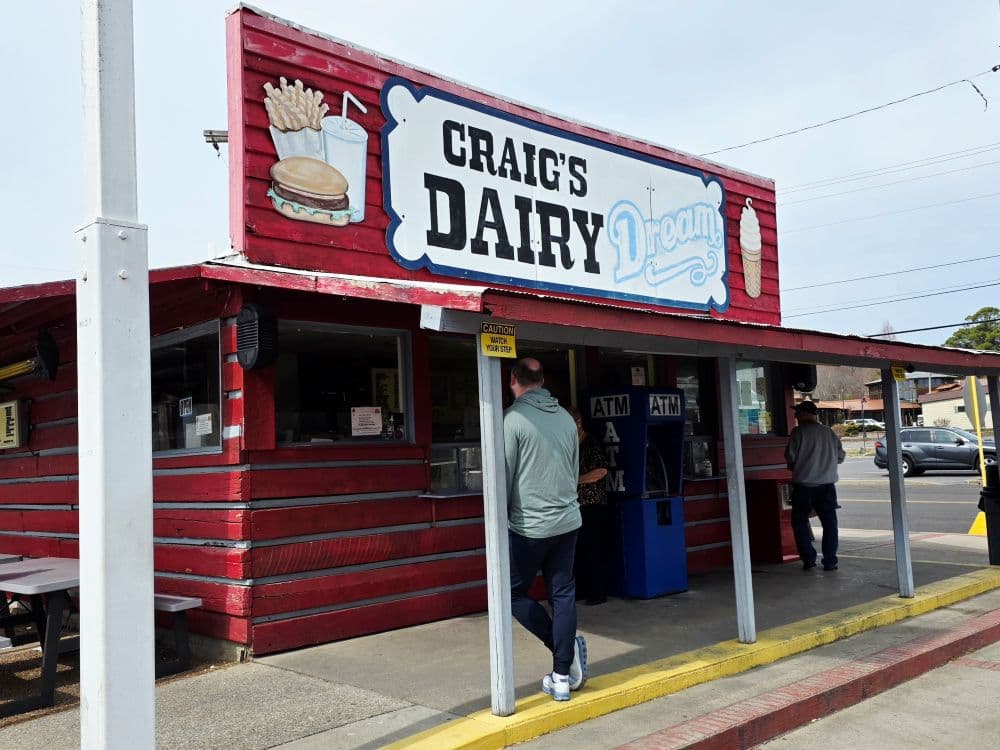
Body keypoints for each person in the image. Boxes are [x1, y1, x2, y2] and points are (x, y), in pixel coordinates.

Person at [504, 358, 588, 701]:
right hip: (568, 521)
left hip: (529, 526)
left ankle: (562, 654)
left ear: (513, 380)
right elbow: (573, 469)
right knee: (563, 593)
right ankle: (562, 673)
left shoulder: (513, 420)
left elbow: (504, 477)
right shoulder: (567, 420)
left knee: (513, 594)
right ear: (542, 381)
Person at [785, 400, 845, 571]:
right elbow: (840, 457)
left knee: (799, 522)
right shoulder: (829, 433)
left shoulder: (798, 433)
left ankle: (809, 559)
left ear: (806, 414)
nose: (795, 416)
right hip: (827, 486)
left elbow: (790, 458)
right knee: (830, 524)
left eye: (798, 412)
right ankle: (830, 561)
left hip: (803, 487)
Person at [569, 407, 610, 605]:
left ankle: (597, 593)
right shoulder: (572, 444)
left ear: (578, 423)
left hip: (593, 505)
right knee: (580, 550)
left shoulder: (591, 444)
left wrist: (576, 481)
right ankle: (582, 590)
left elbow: (601, 471)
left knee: (594, 550)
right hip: (577, 505)